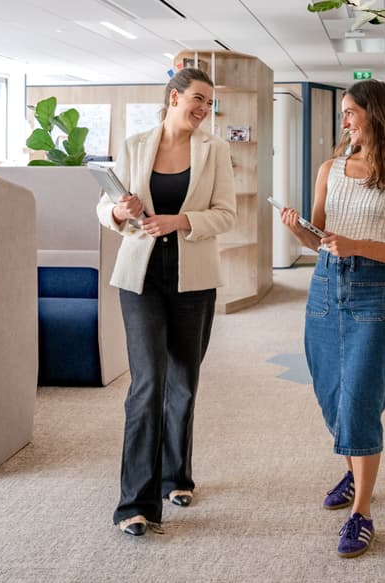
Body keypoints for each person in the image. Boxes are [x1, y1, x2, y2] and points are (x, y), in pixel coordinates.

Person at [276, 79, 385, 558]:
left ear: (374, 114)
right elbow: (320, 238)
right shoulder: (330, 169)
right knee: (331, 394)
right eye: (342, 113)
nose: (343, 121)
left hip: (373, 291)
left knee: (361, 397)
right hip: (324, 285)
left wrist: (357, 245)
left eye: (349, 112)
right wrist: (298, 229)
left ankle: (361, 511)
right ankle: (353, 467)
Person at [96, 67, 237, 537]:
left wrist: (180, 221)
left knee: (183, 381)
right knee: (148, 383)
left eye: (209, 103)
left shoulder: (214, 150)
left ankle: (177, 475)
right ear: (174, 97)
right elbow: (105, 203)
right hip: (141, 279)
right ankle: (135, 503)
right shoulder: (137, 144)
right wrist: (119, 210)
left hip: (193, 279)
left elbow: (226, 215)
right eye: (197, 99)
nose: (203, 109)